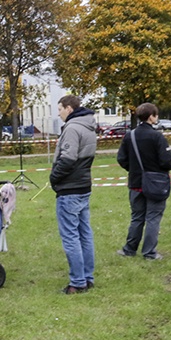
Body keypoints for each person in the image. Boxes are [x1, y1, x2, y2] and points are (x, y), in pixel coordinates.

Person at [50, 95, 98, 294]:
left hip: (70, 189)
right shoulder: (88, 127)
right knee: (85, 234)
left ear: (69, 108)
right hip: (83, 186)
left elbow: (68, 159)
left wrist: (54, 178)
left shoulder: (72, 128)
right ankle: (87, 277)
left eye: (60, 108)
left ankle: (78, 282)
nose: (59, 113)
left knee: (71, 236)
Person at [116, 102, 171, 260]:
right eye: (156, 115)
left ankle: (129, 249)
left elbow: (121, 158)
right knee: (153, 218)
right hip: (156, 184)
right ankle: (149, 253)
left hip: (136, 184)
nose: (157, 117)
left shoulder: (130, 136)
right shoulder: (157, 136)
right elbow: (167, 162)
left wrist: (133, 170)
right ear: (151, 117)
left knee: (137, 217)